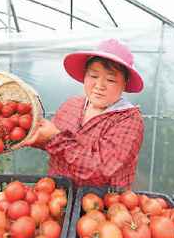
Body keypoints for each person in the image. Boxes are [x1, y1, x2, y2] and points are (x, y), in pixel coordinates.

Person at [24, 39, 144, 187]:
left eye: (111, 79)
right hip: (57, 197)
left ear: (124, 83)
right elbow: (54, 146)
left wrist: (54, 138)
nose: (99, 86)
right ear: (85, 76)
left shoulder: (128, 120)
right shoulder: (71, 105)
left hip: (104, 204)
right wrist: (33, 135)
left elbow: (100, 170)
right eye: (93, 76)